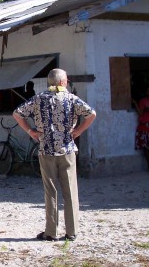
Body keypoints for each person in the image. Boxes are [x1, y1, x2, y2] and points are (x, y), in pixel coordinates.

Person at [13, 68, 96, 242]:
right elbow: (92, 114)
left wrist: (31, 131)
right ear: (63, 82)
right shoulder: (71, 99)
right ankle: (71, 232)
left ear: (49, 82)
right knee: (70, 191)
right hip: (67, 150)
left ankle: (50, 232)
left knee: (50, 191)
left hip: (46, 150)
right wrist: (78, 131)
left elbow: (17, 113)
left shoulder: (39, 99)